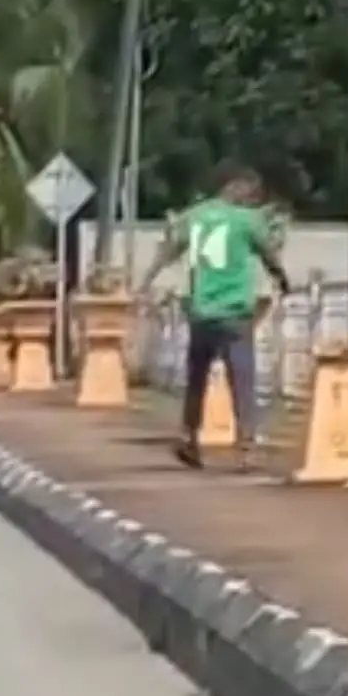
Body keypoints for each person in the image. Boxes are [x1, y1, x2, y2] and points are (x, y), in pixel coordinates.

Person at [138, 163, 290, 469]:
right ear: (238, 187)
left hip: (201, 308)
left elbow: (169, 248)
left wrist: (147, 280)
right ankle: (246, 445)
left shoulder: (194, 216)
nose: (252, 200)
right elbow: (268, 253)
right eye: (251, 193)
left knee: (197, 377)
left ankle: (189, 437)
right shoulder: (247, 220)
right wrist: (282, 278)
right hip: (234, 310)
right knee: (242, 378)